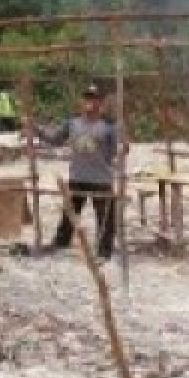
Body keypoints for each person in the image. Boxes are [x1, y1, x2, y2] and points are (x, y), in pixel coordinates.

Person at [43, 84, 117, 260]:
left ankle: (104, 251)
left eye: (94, 98)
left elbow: (115, 150)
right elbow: (54, 139)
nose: (90, 102)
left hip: (101, 178)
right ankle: (62, 242)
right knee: (69, 212)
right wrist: (36, 130)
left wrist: (122, 148)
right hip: (77, 176)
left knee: (105, 217)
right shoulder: (72, 123)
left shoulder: (108, 126)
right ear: (82, 101)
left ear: (101, 102)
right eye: (87, 98)